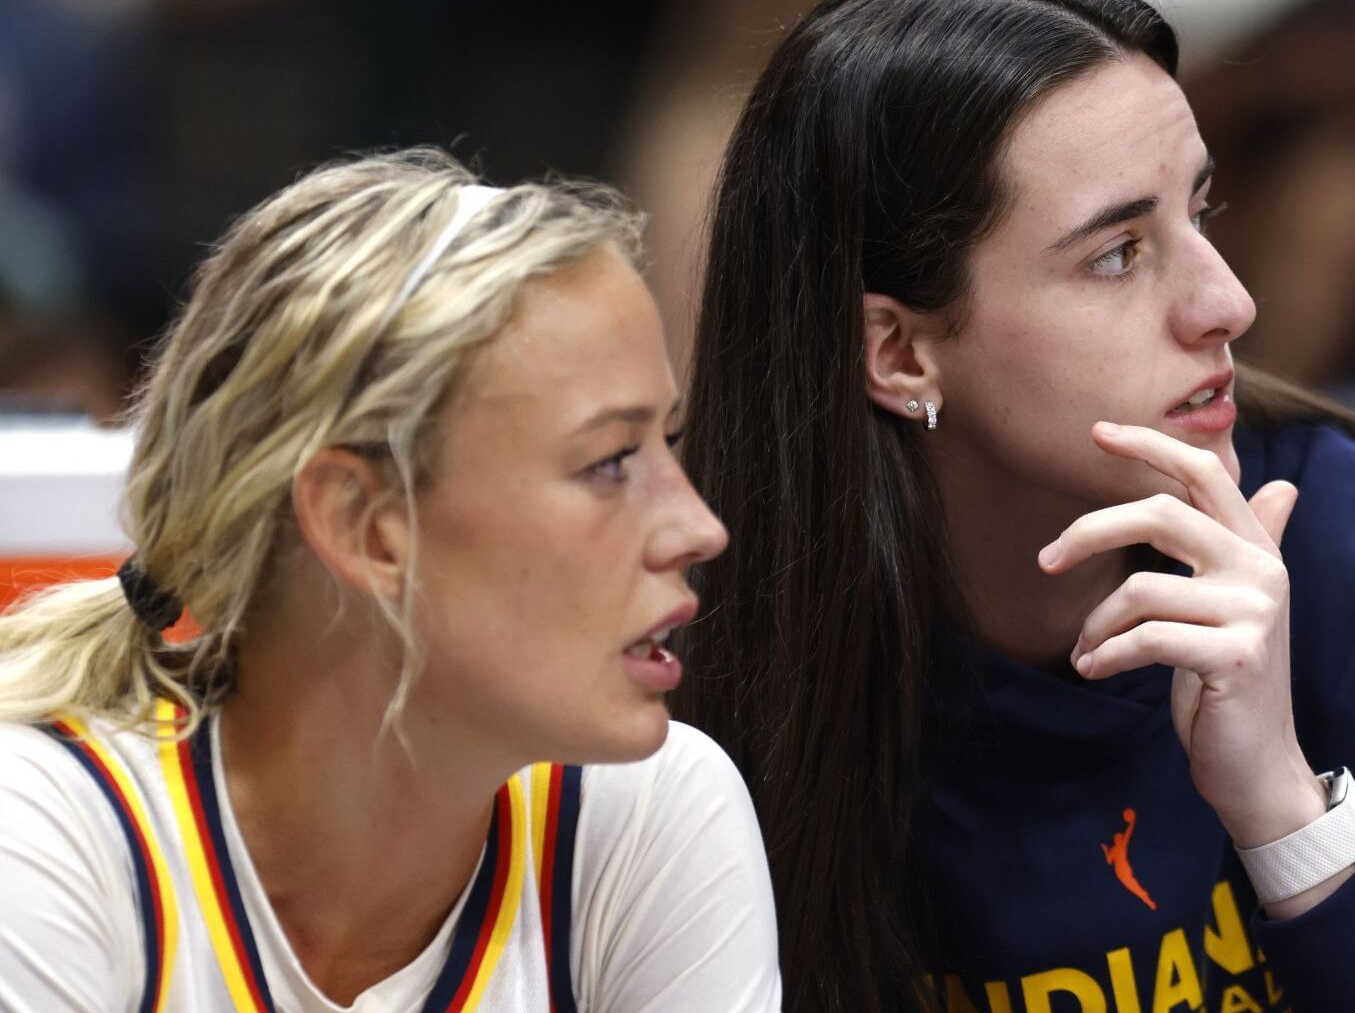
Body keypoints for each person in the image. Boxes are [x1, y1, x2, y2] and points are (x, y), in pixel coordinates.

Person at [673, 0, 1355, 1011]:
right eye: (1119, 253)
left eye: (1200, 210)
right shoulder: (701, 628)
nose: (1228, 301)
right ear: (900, 351)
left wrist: (1287, 817)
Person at [0, 149, 781, 1011]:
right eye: (608, 463)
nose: (698, 528)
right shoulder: (41, 836)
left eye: (667, 443)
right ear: (362, 523)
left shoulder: (651, 816)